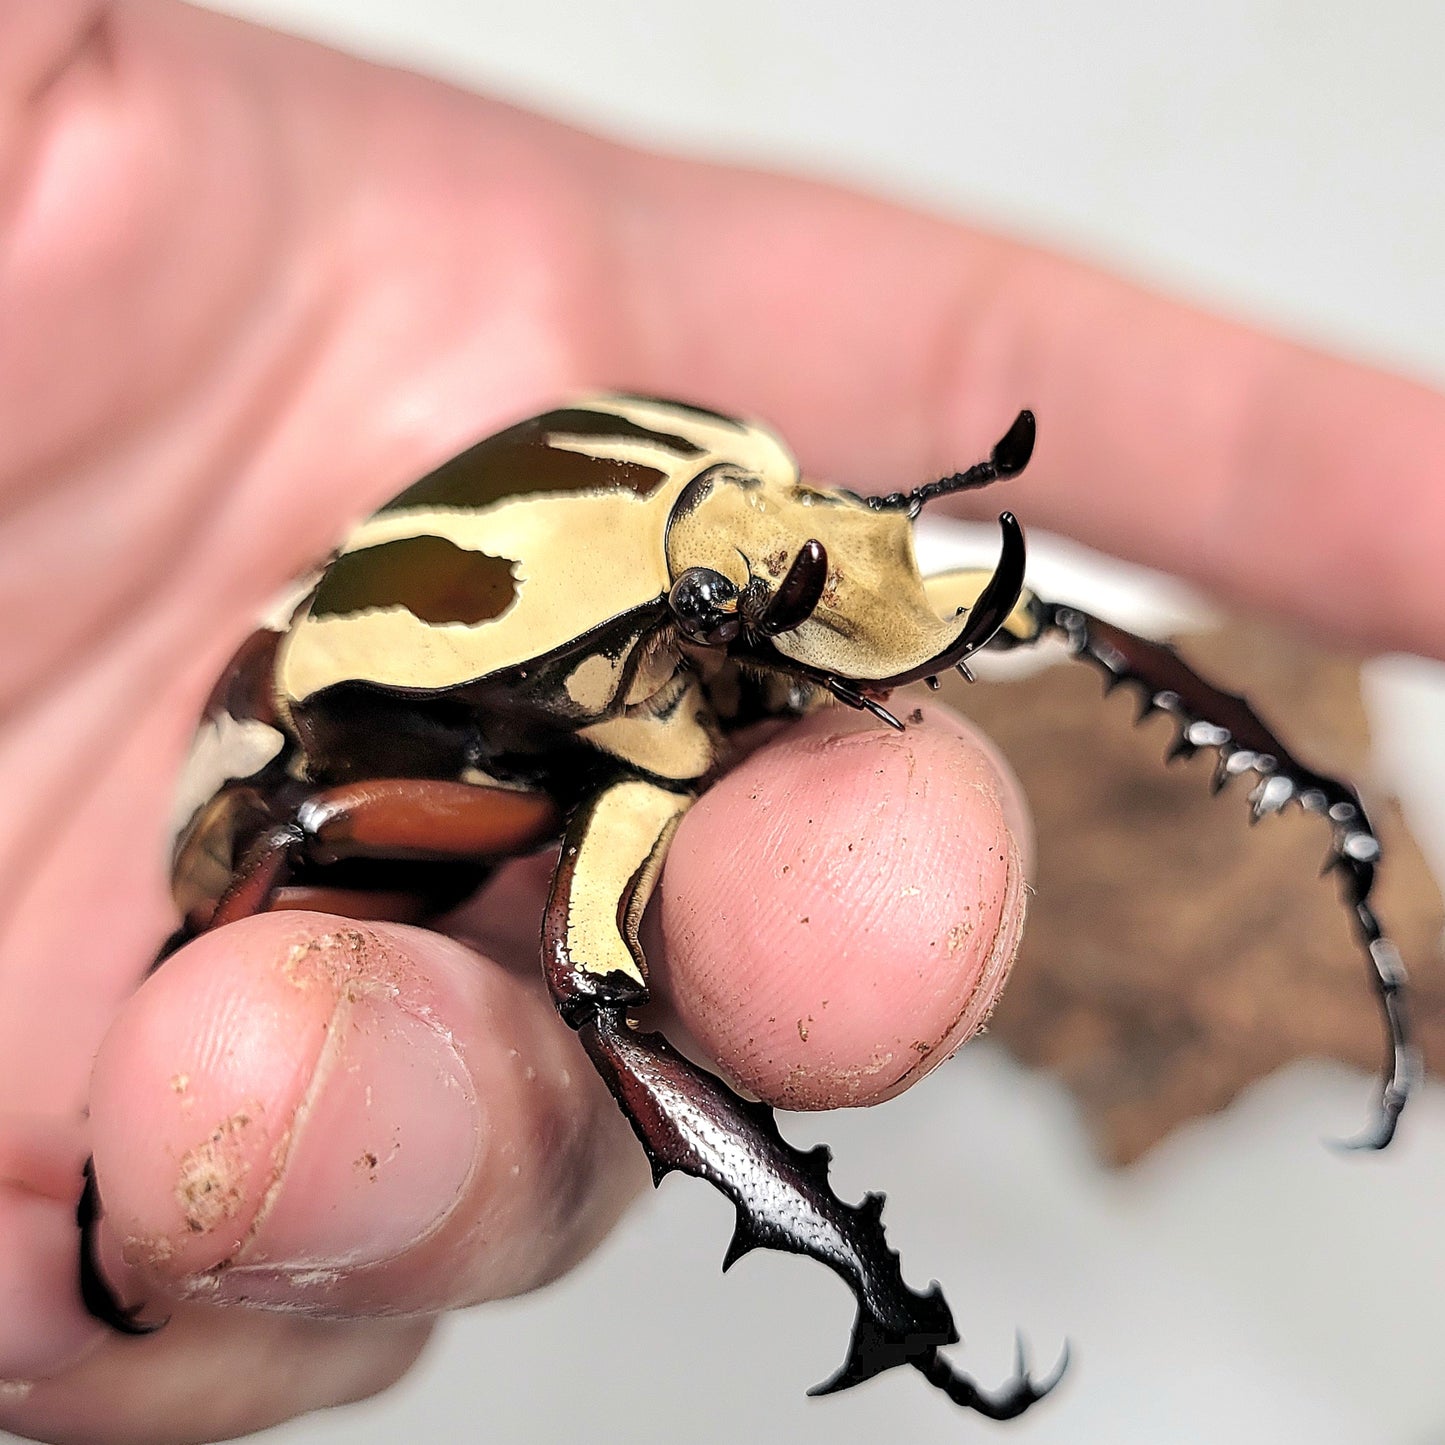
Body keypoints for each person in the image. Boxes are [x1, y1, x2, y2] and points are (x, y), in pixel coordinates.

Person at [1, 5, 1440, 1441]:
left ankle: (1326, 821)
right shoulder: (582, 660)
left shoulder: (733, 503)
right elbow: (324, 813)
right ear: (676, 613)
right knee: (559, 963)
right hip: (375, 764)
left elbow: (1010, 612)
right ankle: (855, 1269)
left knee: (1029, 628)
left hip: (580, 646)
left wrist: (1319, 802)